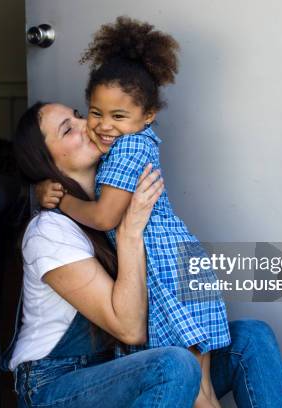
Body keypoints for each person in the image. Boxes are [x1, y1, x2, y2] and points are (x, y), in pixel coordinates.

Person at [3, 102, 282, 408]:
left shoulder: (110, 197)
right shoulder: (49, 232)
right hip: (57, 385)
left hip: (124, 366)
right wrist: (130, 232)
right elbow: (129, 328)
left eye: (78, 115)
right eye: (68, 129)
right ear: (45, 162)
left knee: (251, 338)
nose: (85, 125)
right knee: (173, 366)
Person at [36, 17, 227, 407]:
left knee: (196, 394)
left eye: (118, 117)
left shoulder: (127, 149)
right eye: (94, 112)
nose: (103, 126)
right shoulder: (133, 143)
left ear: (148, 115)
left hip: (167, 274)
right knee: (202, 391)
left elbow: (106, 217)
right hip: (184, 266)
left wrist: (63, 202)